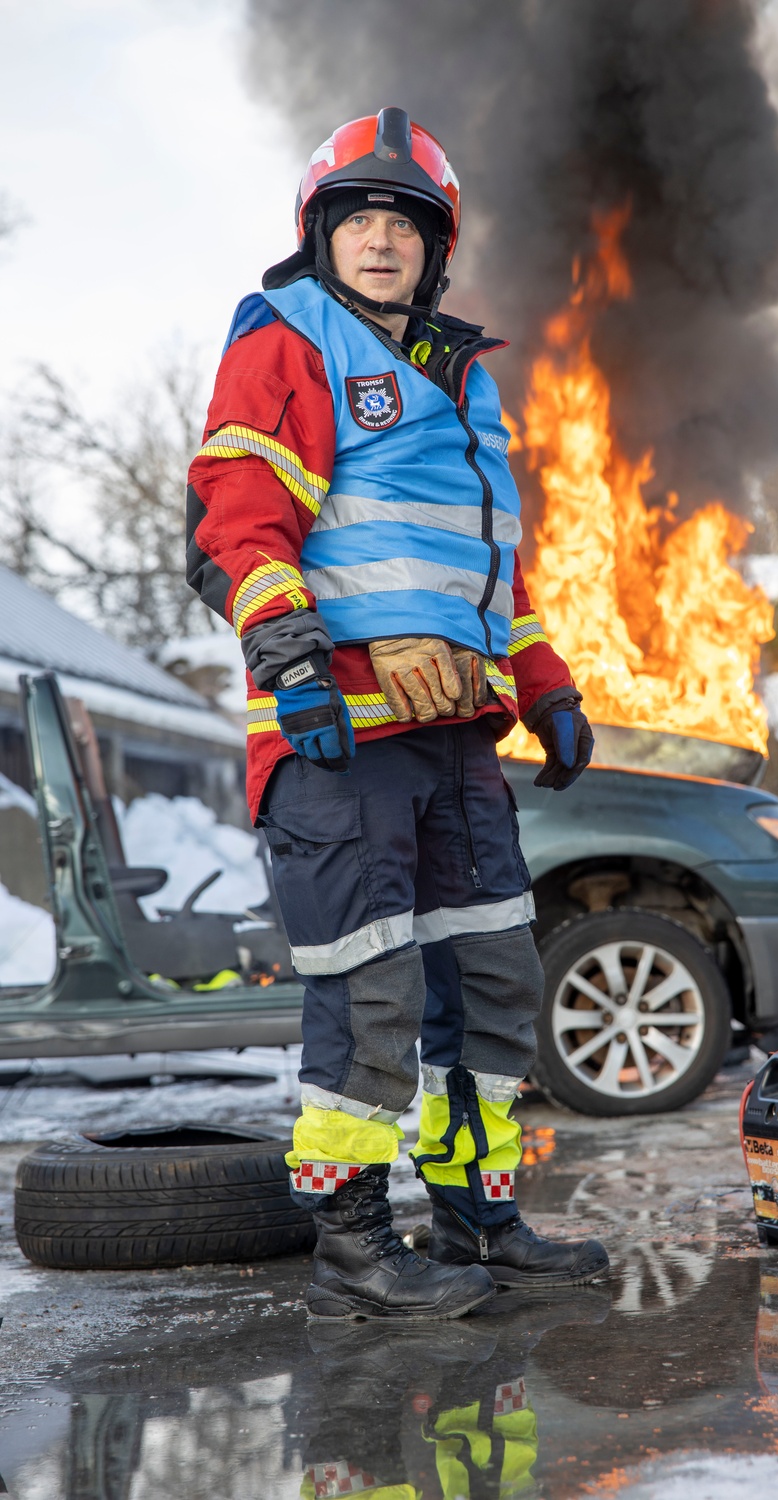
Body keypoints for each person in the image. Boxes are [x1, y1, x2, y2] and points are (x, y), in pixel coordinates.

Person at [187, 106, 609, 1320]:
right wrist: (296, 661)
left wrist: (546, 682)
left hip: (455, 739)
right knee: (368, 993)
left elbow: (486, 571)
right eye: (357, 217)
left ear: (438, 249)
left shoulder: (463, 380)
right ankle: (356, 1242)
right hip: (341, 736)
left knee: (489, 983)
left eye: (404, 222)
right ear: (321, 233)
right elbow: (240, 509)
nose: (380, 240)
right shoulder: (290, 336)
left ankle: (478, 1217)